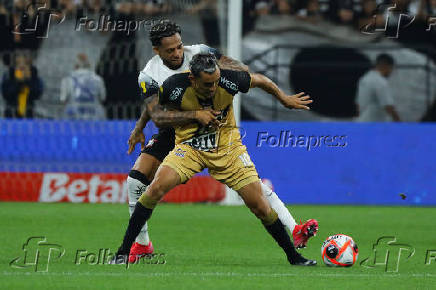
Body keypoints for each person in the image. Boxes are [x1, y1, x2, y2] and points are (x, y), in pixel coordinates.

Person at [124, 20, 318, 264]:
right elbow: (157, 113)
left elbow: (240, 70)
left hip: (217, 127)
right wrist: (139, 128)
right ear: (156, 50)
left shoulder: (201, 53)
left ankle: (293, 228)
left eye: (179, 47)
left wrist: (234, 72)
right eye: (170, 50)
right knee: (135, 180)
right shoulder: (150, 74)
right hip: (175, 127)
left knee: (252, 187)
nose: (177, 53)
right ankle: (142, 245)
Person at [60, 53, 106, 120]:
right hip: (94, 116)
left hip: (74, 116)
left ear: (75, 66)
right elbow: (103, 98)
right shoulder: (98, 79)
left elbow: (63, 99)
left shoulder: (67, 80)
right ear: (89, 65)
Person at [356, 54, 401, 122]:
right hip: (374, 125)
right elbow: (388, 107)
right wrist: (400, 123)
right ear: (387, 66)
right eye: (391, 68)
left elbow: (358, 105)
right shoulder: (380, 82)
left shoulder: (364, 78)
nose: (391, 72)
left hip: (362, 122)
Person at [1, 53, 43, 118]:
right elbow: (6, 94)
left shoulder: (34, 76)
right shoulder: (8, 75)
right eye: (18, 63)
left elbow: (37, 94)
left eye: (25, 63)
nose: (22, 66)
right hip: (11, 112)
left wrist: (29, 81)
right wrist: (17, 83)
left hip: (29, 112)